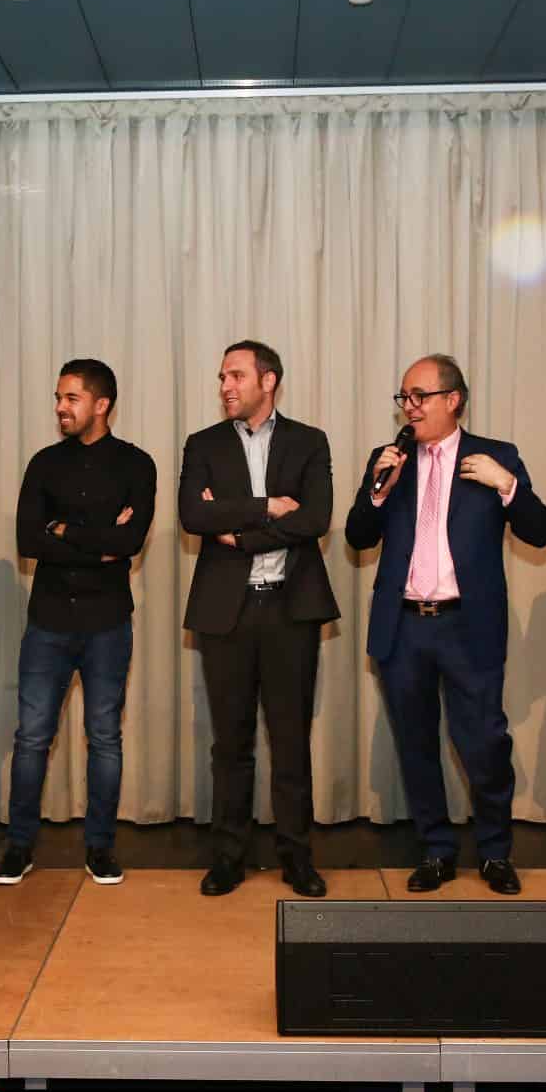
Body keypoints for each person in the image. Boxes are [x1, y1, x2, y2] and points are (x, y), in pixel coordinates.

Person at [345, 354, 546, 895]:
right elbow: (358, 537)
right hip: (404, 626)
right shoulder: (390, 459)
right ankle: (436, 850)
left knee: (483, 744)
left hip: (467, 625)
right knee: (415, 745)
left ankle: (495, 852)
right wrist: (378, 491)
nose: (409, 408)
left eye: (420, 396)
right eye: (404, 398)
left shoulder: (495, 456)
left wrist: (508, 486)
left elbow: (539, 531)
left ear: (453, 399)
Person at [178, 340, 338, 898]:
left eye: (236, 375)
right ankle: (229, 858)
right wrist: (267, 507)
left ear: (268, 381)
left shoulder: (309, 441)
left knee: (291, 741)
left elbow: (315, 519)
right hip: (228, 611)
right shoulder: (203, 444)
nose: (225, 386)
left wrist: (237, 533)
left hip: (291, 610)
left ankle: (298, 858)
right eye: (222, 376)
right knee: (231, 743)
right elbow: (193, 514)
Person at [0, 359, 156, 886]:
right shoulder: (44, 463)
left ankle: (100, 848)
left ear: (101, 404)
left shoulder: (137, 465)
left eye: (71, 398)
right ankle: (19, 846)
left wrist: (63, 530)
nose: (60, 407)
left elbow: (129, 543)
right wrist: (99, 541)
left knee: (104, 737)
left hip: (108, 622)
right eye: (58, 398)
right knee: (32, 737)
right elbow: (29, 540)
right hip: (48, 621)